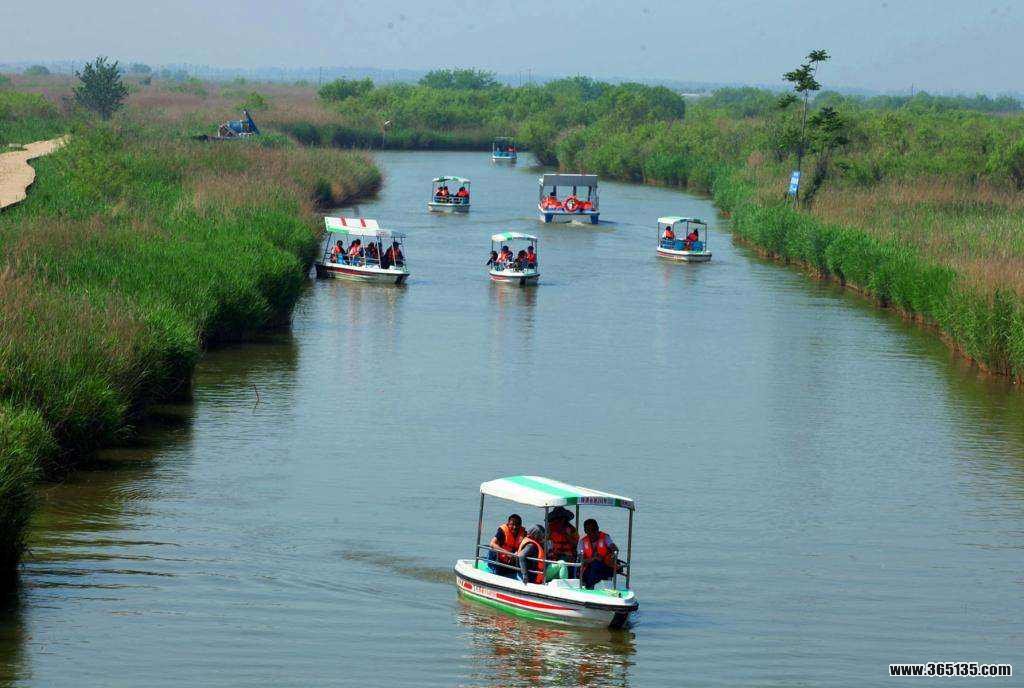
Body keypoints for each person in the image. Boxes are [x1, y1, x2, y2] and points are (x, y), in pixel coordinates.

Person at [577, 518, 619, 589]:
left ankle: (595, 587)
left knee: (597, 566)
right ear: (585, 531)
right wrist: (594, 558)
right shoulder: (582, 542)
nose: (592, 533)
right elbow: (581, 560)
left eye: (594, 529)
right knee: (593, 566)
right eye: (589, 530)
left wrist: (610, 557)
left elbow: (615, 549)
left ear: (598, 528)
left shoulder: (605, 537)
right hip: (588, 568)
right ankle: (589, 587)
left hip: (605, 566)